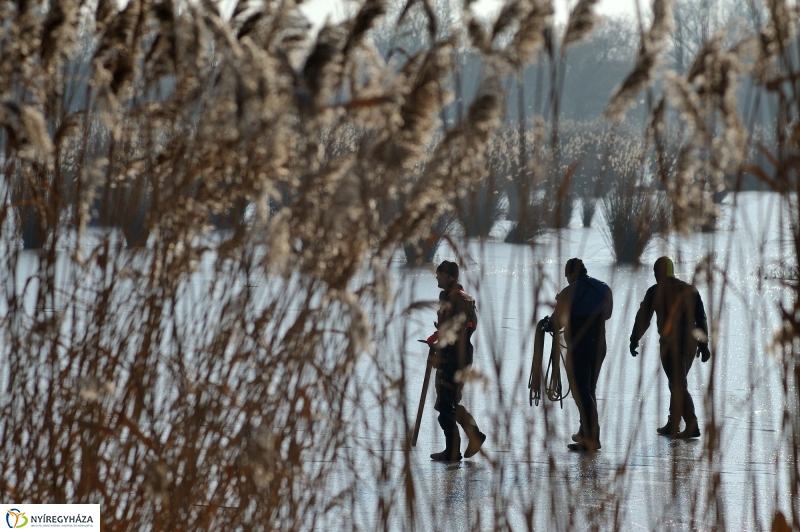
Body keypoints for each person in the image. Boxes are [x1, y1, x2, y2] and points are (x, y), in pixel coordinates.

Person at [629, 256, 711, 439]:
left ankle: (692, 425)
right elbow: (701, 318)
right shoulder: (690, 289)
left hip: (670, 344)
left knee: (678, 383)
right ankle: (673, 423)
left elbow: (643, 318)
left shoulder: (655, 291)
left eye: (655, 272)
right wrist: (704, 345)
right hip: (690, 343)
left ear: (658, 272)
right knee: (677, 381)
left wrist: (634, 339)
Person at [548, 258, 613, 452]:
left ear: (570, 274)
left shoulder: (569, 291)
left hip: (579, 347)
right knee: (589, 389)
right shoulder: (604, 289)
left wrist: (547, 324)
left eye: (567, 276)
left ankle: (592, 438)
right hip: (600, 346)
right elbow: (607, 314)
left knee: (580, 392)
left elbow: (555, 323)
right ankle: (584, 432)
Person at [426, 260, 487, 461]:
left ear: (451, 277)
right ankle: (474, 435)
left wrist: (441, 347)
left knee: (445, 405)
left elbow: (458, 331)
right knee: (450, 401)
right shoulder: (462, 298)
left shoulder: (456, 300)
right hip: (460, 355)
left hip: (453, 357)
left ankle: (453, 451)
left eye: (440, 273)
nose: (437, 276)